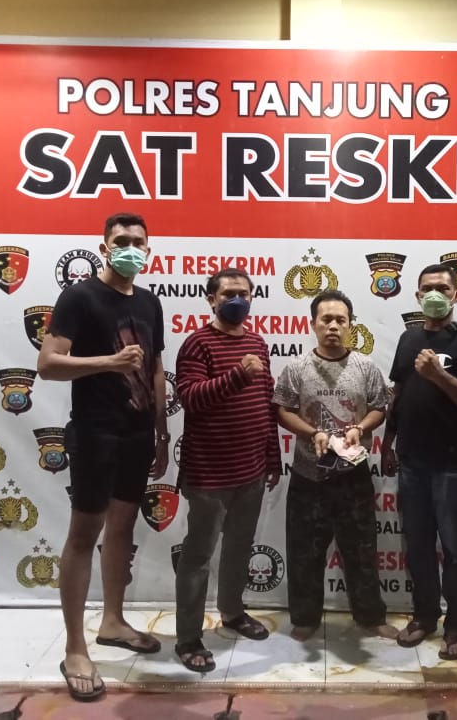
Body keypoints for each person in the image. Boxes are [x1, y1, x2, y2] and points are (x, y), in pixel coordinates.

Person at [37, 212, 168, 702]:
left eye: (138, 240)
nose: (130, 246)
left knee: (122, 530)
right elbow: (47, 364)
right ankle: (75, 647)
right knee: (83, 534)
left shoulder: (150, 302)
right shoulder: (80, 296)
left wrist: (161, 431)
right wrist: (109, 362)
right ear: (104, 246)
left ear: (148, 248)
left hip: (138, 434)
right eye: (121, 239)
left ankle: (112, 621)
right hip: (96, 432)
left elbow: (155, 367)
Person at [273, 289, 397, 642]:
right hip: (308, 475)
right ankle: (305, 618)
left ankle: (370, 617)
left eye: (340, 320)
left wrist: (361, 428)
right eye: (326, 319)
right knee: (304, 551)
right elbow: (282, 410)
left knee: (362, 550)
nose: (333, 326)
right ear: (313, 324)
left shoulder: (365, 367)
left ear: (350, 325)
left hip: (353, 475)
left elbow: (379, 407)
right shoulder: (296, 368)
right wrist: (312, 433)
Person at [173, 267, 281, 672]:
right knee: (198, 556)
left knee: (239, 547)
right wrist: (237, 375)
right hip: (209, 474)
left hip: (251, 470)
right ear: (211, 299)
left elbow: (266, 402)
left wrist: (272, 456)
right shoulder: (197, 343)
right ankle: (188, 638)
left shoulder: (257, 342)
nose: (237, 300)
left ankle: (233, 612)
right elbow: (190, 398)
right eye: (228, 293)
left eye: (244, 294)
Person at [381, 263, 457, 660]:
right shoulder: (409, 338)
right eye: (427, 287)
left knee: (456, 549)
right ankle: (425, 616)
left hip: (451, 464)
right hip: (411, 461)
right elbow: (398, 393)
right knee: (419, 545)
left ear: (456, 294)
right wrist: (387, 443)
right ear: (416, 294)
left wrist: (438, 375)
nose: (434, 294)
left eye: (443, 288)